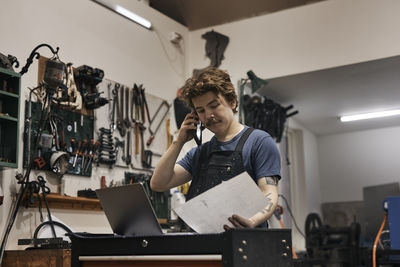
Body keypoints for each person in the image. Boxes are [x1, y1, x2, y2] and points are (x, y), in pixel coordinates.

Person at [150, 67, 281, 230]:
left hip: (243, 244)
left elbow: (269, 193)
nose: (208, 115)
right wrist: (179, 141)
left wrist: (252, 222)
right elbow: (158, 184)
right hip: (202, 250)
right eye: (201, 111)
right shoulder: (199, 153)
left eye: (214, 105)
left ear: (232, 101)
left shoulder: (259, 142)